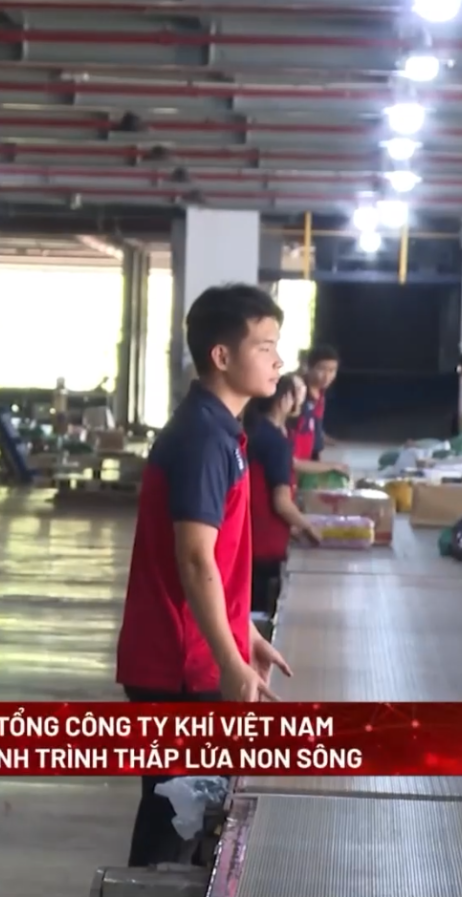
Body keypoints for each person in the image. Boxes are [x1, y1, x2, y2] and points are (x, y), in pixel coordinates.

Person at [115, 283, 293, 868]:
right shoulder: (203, 439)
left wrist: (244, 632)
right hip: (179, 663)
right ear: (221, 355)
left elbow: (217, 562)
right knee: (174, 824)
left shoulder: (221, 431)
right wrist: (228, 658)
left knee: (188, 821)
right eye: (265, 347)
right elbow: (194, 559)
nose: (278, 361)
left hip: (190, 654)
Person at [246, 374, 324, 620]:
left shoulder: (259, 432)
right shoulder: (275, 442)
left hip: (251, 537)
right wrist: (309, 528)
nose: (300, 401)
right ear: (283, 399)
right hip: (265, 544)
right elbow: (280, 502)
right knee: (260, 613)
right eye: (295, 394)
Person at [285, 376, 348, 479]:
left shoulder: (308, 411)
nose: (301, 392)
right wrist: (330, 466)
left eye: (302, 388)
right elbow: (292, 463)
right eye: (296, 389)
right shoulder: (279, 428)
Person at [299, 344, 341, 460]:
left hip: (313, 454)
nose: (327, 376)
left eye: (332, 370)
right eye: (321, 369)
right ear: (309, 367)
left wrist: (322, 437)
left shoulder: (321, 393)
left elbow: (316, 421)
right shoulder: (298, 392)